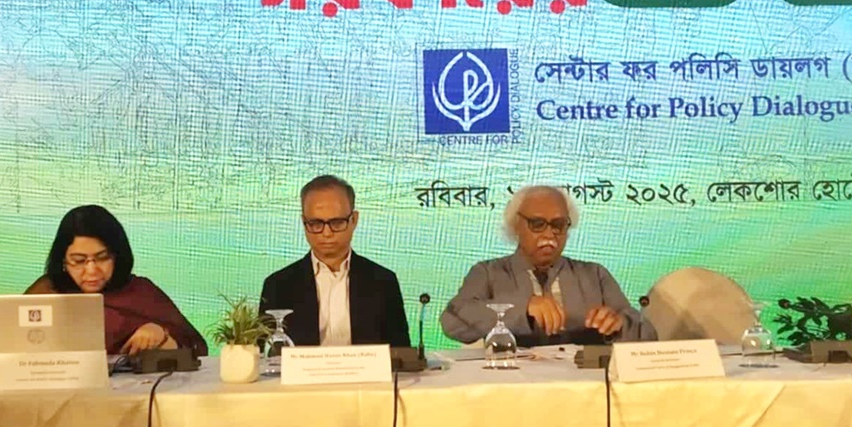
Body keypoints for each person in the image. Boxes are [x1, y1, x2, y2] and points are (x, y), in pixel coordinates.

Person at [441, 184, 655, 345]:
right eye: (538, 224)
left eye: (558, 225)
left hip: (585, 383)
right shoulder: (488, 273)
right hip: (512, 382)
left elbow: (646, 334)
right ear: (516, 225)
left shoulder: (594, 274)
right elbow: (453, 322)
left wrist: (619, 325)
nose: (549, 234)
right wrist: (523, 308)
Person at [25, 205, 207, 356]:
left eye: (102, 258)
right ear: (63, 261)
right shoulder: (46, 292)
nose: (91, 270)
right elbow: (16, 343)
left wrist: (161, 334)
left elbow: (197, 350)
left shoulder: (141, 292)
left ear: (117, 256)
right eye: (79, 261)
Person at [260, 175, 411, 348]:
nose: (327, 233)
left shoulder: (383, 282)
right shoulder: (278, 285)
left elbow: (402, 352)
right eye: (316, 223)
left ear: (354, 220)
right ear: (304, 222)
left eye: (337, 222)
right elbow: (262, 354)